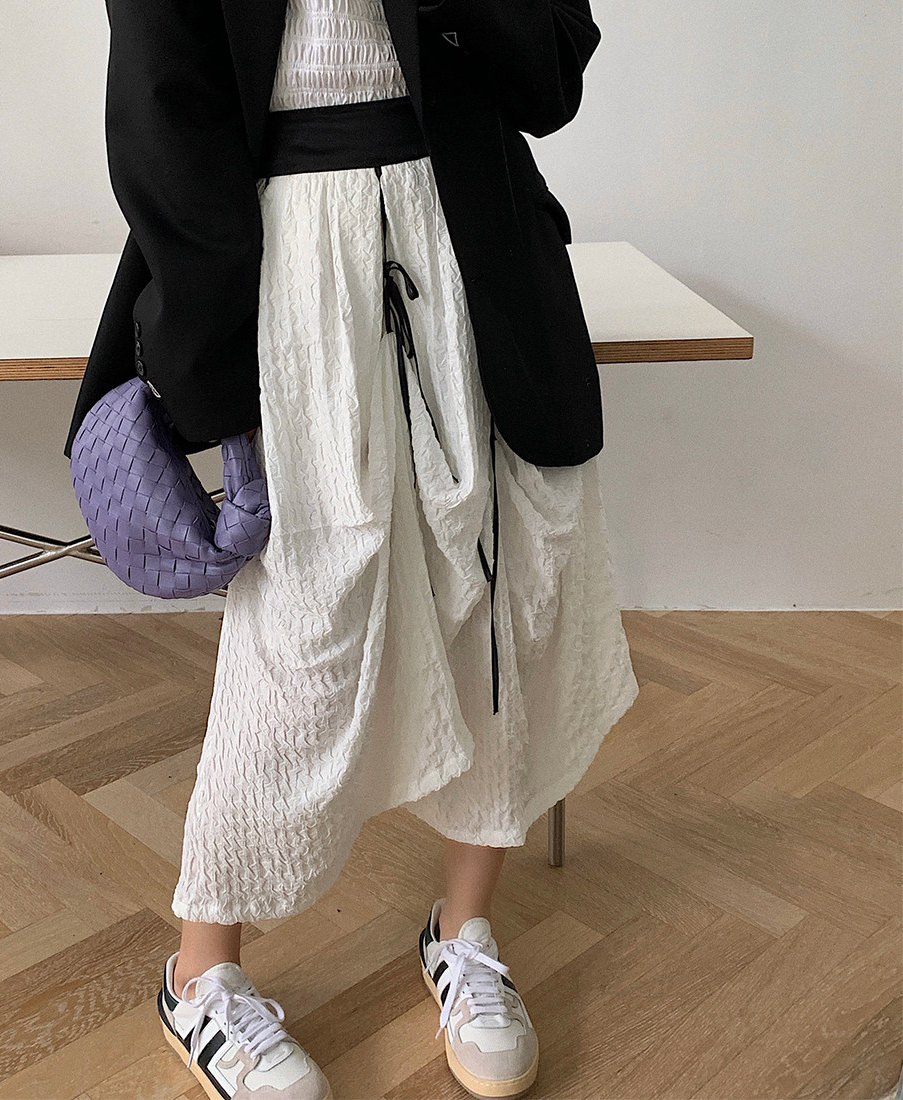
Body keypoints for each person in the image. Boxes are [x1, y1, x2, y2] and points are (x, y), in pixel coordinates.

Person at [128, 0, 641, 1096]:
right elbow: (164, 107)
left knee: (501, 592)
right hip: (289, 269)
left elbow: (550, 74)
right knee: (303, 627)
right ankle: (200, 973)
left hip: (475, 253)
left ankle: (464, 931)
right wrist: (208, 368)